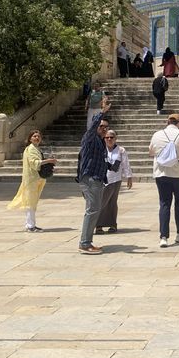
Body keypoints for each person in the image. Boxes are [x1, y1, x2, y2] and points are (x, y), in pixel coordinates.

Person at [149, 113, 179, 248]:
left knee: (164, 204)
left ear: (167, 122)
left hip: (161, 174)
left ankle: (163, 237)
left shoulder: (157, 135)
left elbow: (151, 152)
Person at [78, 99, 111, 254]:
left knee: (93, 210)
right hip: (90, 178)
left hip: (96, 179)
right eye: (101, 126)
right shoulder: (89, 138)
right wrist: (102, 112)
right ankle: (85, 243)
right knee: (93, 210)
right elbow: (92, 127)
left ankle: (87, 241)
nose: (104, 129)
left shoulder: (100, 142)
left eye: (106, 127)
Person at [7, 129, 58, 232]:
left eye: (38, 136)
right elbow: (34, 163)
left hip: (35, 179)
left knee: (32, 202)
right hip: (32, 179)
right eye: (34, 136)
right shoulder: (31, 149)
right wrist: (49, 161)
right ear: (30, 138)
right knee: (30, 203)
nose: (37, 138)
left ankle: (30, 224)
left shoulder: (35, 149)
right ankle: (31, 226)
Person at [95, 129, 133, 234]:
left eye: (111, 137)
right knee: (102, 202)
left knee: (112, 202)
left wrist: (129, 177)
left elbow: (125, 164)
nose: (109, 139)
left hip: (116, 179)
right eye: (107, 137)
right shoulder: (101, 149)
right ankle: (98, 225)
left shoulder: (121, 150)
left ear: (115, 139)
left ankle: (112, 224)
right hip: (103, 179)